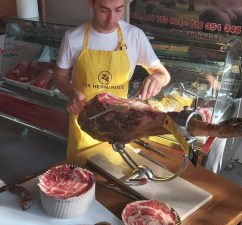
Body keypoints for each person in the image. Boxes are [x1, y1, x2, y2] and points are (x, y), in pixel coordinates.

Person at [54, 0, 171, 157]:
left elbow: (163, 73)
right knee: (82, 173)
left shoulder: (134, 36)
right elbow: (58, 77)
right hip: (83, 124)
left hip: (120, 127)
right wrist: (72, 93)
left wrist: (157, 78)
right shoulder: (73, 38)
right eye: (104, 10)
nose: (111, 19)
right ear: (91, 3)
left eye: (118, 10)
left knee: (113, 171)